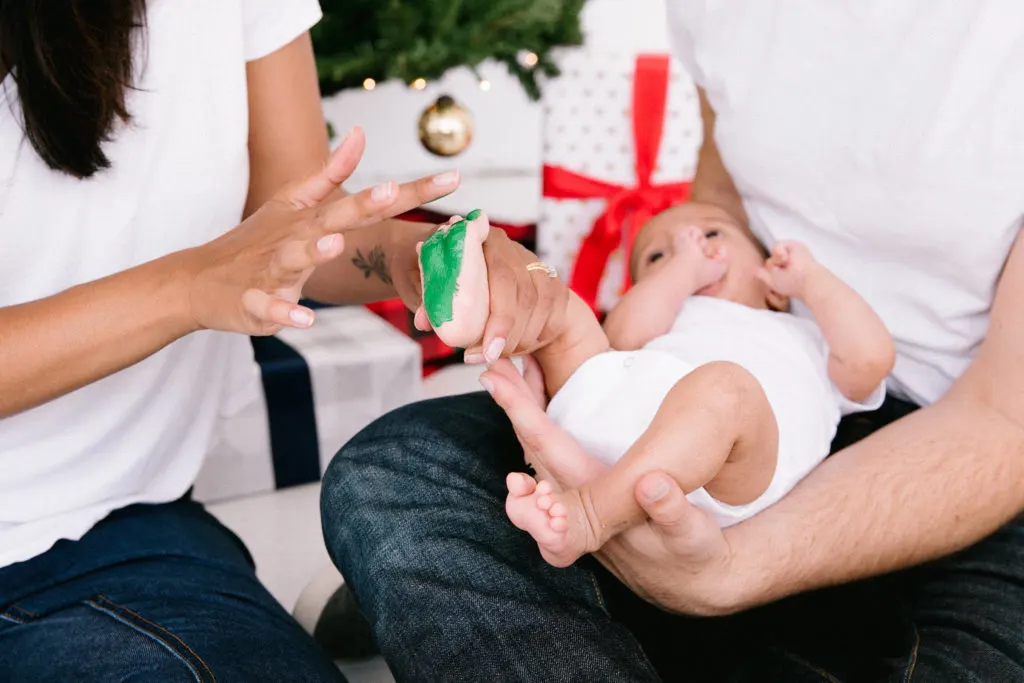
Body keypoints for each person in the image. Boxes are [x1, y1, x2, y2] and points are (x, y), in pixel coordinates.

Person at [320, 2, 1024, 681]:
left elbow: (1005, 417)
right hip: (672, 412)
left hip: (962, 454)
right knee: (390, 470)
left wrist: (727, 569)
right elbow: (710, 214)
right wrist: (643, 296)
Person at [0, 2, 563, 681]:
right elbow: (217, 271)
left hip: (124, 532)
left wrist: (412, 255)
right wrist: (186, 285)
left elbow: (292, 226)